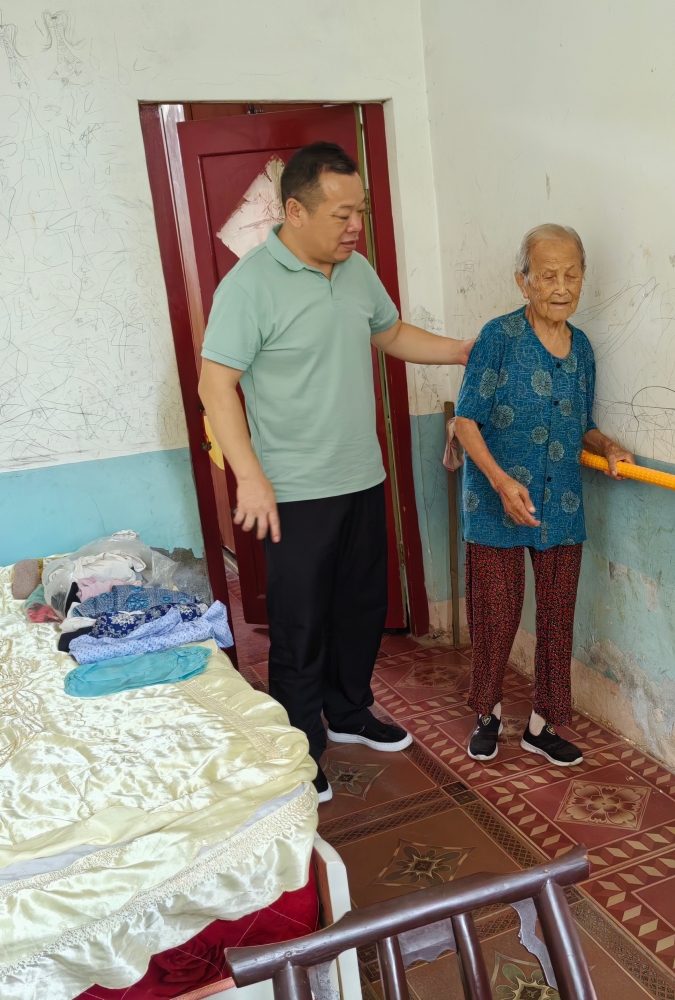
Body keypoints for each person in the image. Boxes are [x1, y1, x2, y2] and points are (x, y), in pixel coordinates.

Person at [199, 142, 470, 803]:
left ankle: (348, 710)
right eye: (342, 214)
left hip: (362, 475)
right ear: (294, 211)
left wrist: (462, 350)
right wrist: (250, 476)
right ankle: (300, 748)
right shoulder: (249, 287)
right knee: (300, 625)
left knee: (360, 608)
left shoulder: (355, 271)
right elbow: (215, 385)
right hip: (294, 490)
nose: (355, 227)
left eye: (361, 212)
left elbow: (390, 333)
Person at [453, 224, 633, 766]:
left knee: (557, 618)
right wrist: (500, 481)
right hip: (495, 502)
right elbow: (466, 422)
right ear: (523, 281)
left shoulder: (583, 350)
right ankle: (487, 713)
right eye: (548, 275)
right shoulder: (498, 338)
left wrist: (607, 445)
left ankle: (542, 725)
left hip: (562, 506)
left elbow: (582, 423)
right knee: (496, 615)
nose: (561, 286)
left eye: (571, 274)